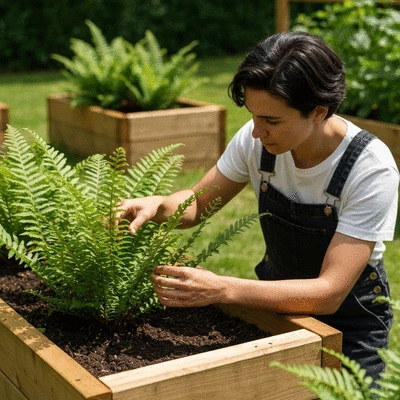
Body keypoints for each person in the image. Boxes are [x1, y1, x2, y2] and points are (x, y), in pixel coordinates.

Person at [115, 31, 399, 383]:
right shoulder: (257, 142)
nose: (256, 133)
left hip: (351, 326)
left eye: (272, 121)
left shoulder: (370, 168)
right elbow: (196, 206)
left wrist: (222, 289)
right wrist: (157, 206)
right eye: (253, 116)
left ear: (319, 111)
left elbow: (329, 293)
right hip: (276, 308)